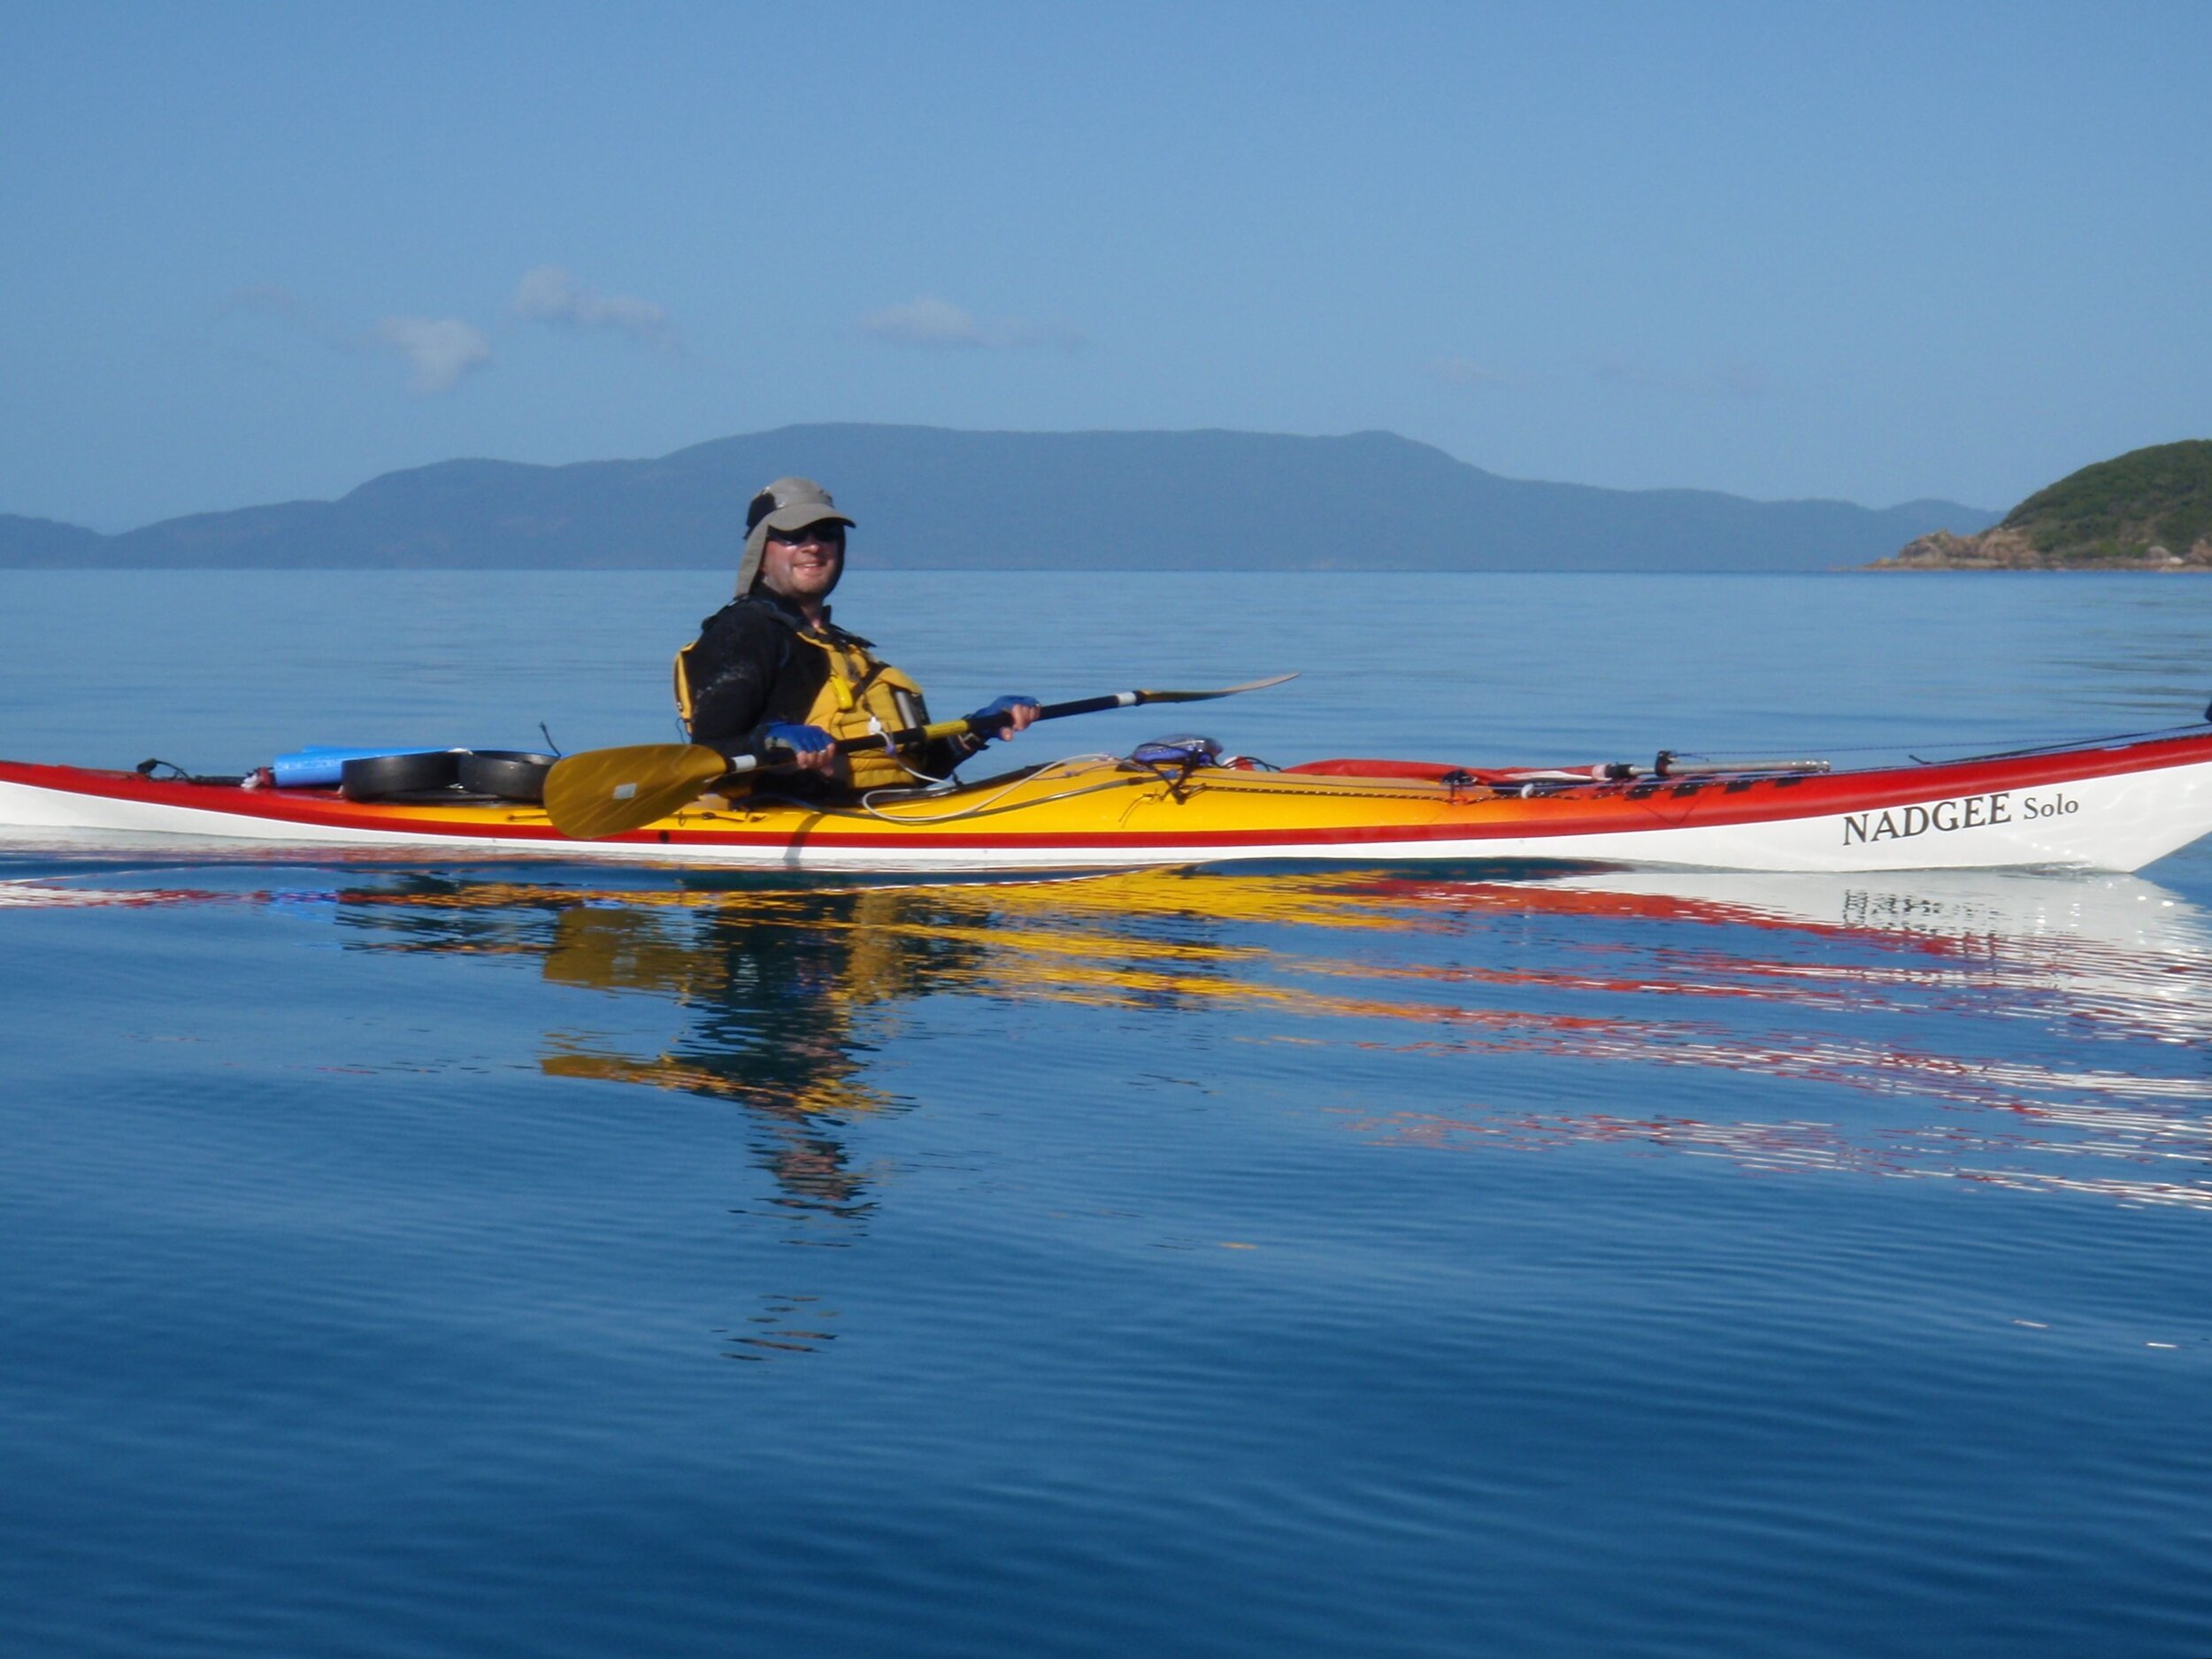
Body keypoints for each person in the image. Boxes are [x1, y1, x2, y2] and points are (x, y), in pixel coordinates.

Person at [674, 477, 1038, 791]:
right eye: (792, 535)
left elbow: (914, 770)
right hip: (789, 820)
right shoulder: (742, 632)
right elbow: (707, 757)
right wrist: (770, 739)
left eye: (827, 533)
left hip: (875, 810)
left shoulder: (843, 648)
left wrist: (979, 728)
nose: (813, 544)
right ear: (761, 551)